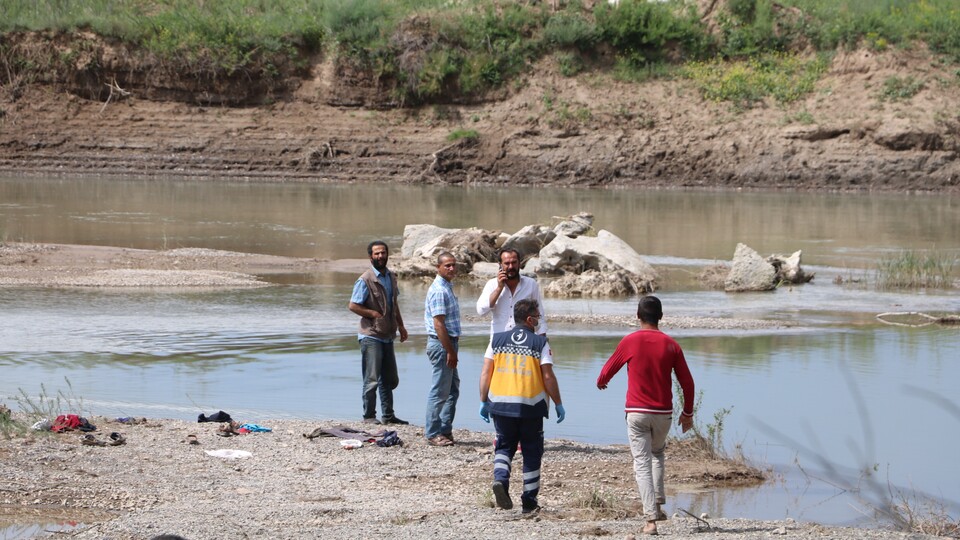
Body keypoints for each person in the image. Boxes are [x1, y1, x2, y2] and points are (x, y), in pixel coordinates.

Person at [596, 295, 694, 536]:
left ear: (637, 316)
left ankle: (650, 520)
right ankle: (658, 504)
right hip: (663, 414)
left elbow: (606, 372)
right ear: (661, 317)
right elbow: (687, 382)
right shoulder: (672, 345)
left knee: (642, 463)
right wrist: (688, 413)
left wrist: (602, 382)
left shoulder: (630, 341)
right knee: (657, 453)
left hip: (637, 413)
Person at [479, 299, 565, 515]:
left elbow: (485, 372)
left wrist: (483, 401)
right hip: (531, 406)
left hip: (501, 405)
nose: (539, 319)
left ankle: (500, 480)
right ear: (529, 319)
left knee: (504, 446)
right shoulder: (540, 343)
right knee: (531, 452)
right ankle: (529, 501)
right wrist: (558, 403)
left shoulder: (496, 340)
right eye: (537, 316)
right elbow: (548, 376)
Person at [348, 240, 409, 425]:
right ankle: (369, 416)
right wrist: (372, 313)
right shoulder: (365, 279)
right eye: (377, 254)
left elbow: (394, 304)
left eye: (383, 253)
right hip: (371, 334)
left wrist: (401, 326)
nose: (380, 256)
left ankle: (389, 416)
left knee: (390, 379)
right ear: (370, 257)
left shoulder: (391, 276)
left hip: (387, 334)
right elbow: (353, 305)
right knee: (372, 378)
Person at [424, 251, 461, 446]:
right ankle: (432, 433)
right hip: (442, 344)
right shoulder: (439, 289)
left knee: (452, 389)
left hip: (448, 343)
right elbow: (439, 324)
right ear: (438, 267)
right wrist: (450, 351)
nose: (452, 268)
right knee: (439, 391)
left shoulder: (447, 286)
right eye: (447, 265)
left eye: (454, 265)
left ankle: (445, 429)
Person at [476, 249, 546, 336]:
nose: (510, 267)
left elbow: (540, 315)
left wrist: (543, 342)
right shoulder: (492, 284)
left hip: (523, 341)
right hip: (499, 342)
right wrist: (499, 289)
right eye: (506, 263)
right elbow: (481, 311)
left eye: (514, 262)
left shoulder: (531, 284)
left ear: (519, 263)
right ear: (500, 265)